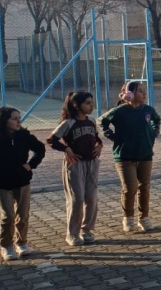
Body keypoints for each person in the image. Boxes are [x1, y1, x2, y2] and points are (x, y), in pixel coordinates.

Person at [0, 106, 45, 261]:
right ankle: (6, 246)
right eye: (14, 118)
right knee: (8, 216)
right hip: (2, 183)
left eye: (19, 118)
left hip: (22, 181)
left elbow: (40, 149)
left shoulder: (24, 136)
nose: (18, 121)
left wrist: (30, 165)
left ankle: (21, 243)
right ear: (3, 120)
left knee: (23, 216)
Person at [100, 81, 160, 233]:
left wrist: (154, 131)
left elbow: (156, 119)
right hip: (125, 156)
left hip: (145, 155)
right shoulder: (120, 111)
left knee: (144, 186)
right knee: (130, 188)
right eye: (140, 91)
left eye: (144, 91)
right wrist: (110, 135)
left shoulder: (148, 110)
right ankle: (128, 218)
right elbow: (102, 120)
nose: (144, 94)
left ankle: (144, 217)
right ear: (130, 94)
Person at [48, 92, 102, 246]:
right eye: (87, 103)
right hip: (75, 164)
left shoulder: (91, 121)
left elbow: (96, 138)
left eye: (91, 102)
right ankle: (72, 233)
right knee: (77, 199)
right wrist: (66, 149)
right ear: (76, 105)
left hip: (91, 163)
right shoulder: (68, 123)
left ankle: (87, 230)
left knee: (91, 198)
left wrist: (99, 145)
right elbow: (52, 140)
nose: (91, 106)